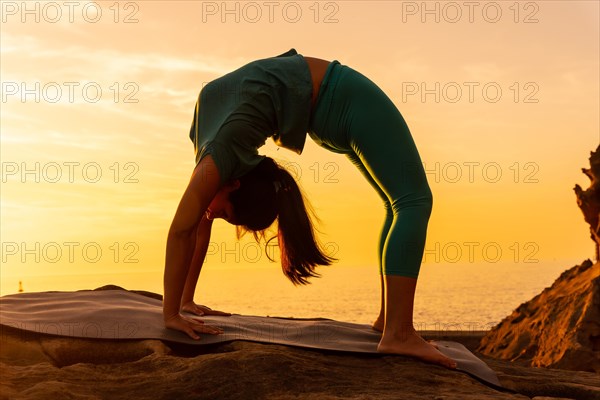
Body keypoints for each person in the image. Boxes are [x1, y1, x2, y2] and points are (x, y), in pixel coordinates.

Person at [163, 49, 457, 369]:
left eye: (226, 215)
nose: (214, 214)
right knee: (406, 202)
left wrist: (170, 315)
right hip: (332, 103)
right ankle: (396, 329)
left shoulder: (217, 156)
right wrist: (183, 303)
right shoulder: (216, 162)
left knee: (406, 202)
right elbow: (194, 227)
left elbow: (182, 230)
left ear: (235, 185)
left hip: (341, 97)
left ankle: (392, 325)